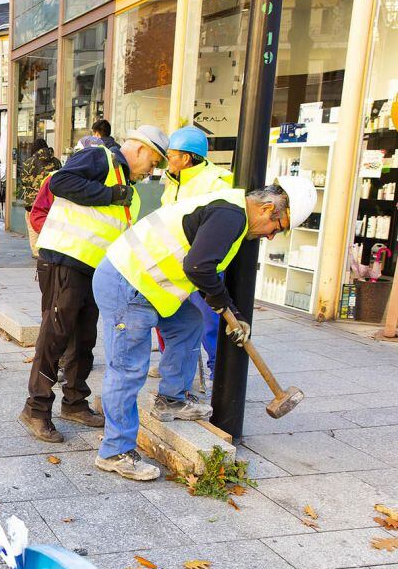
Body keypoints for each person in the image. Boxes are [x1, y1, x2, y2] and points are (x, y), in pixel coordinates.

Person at [91, 175, 316, 480]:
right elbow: (198, 267)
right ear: (267, 209)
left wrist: (234, 314)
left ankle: (171, 398)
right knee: (128, 369)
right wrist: (226, 308)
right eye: (278, 227)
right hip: (127, 283)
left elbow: (207, 271)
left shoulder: (233, 214)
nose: (272, 236)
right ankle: (114, 451)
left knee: (188, 323)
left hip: (150, 285)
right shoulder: (230, 215)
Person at [18, 126, 169, 443]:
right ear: (140, 149)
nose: (152, 170)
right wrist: (109, 195)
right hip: (64, 260)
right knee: (54, 338)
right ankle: (36, 408)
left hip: (92, 270)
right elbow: (60, 182)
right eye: (153, 162)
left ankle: (74, 402)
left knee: (83, 340)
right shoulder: (101, 158)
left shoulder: (130, 190)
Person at [153, 126, 236, 384]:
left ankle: (216, 374)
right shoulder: (175, 180)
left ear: (186, 157)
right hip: (172, 263)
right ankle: (173, 367)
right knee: (166, 317)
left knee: (208, 322)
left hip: (202, 265)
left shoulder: (217, 180)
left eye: (172, 154)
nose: (168, 158)